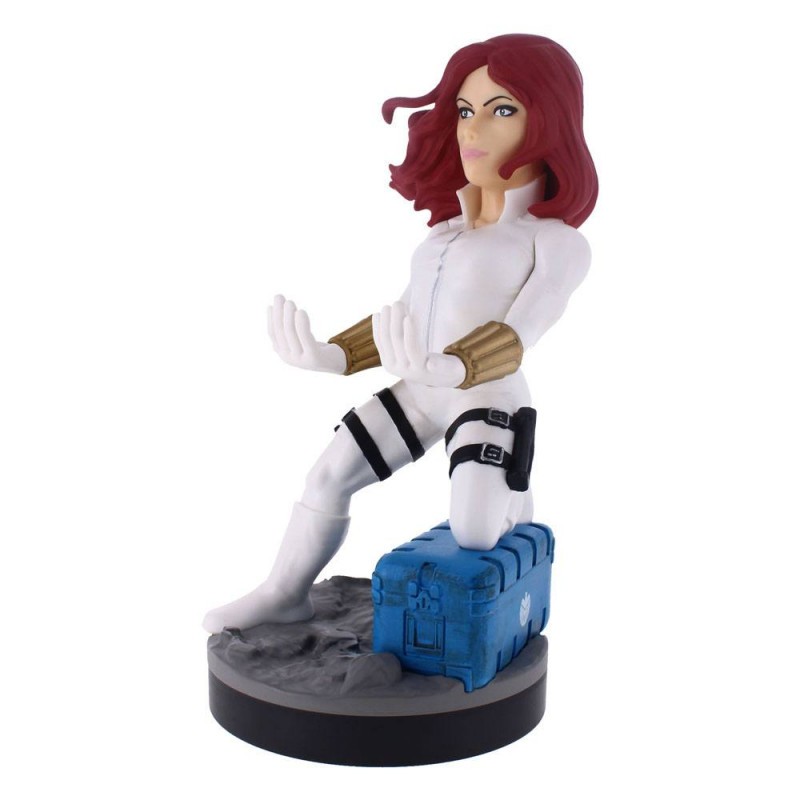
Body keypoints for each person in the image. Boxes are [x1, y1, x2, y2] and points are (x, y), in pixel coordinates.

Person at [203, 34, 598, 633]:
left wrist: (452, 367)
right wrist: (335, 355)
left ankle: (514, 499)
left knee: (475, 532)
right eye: (465, 110)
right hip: (420, 390)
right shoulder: (445, 232)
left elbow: (521, 334)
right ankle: (284, 594)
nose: (472, 129)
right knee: (326, 477)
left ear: (548, 120)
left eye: (502, 110)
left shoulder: (556, 242)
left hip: (486, 394)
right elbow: (404, 316)